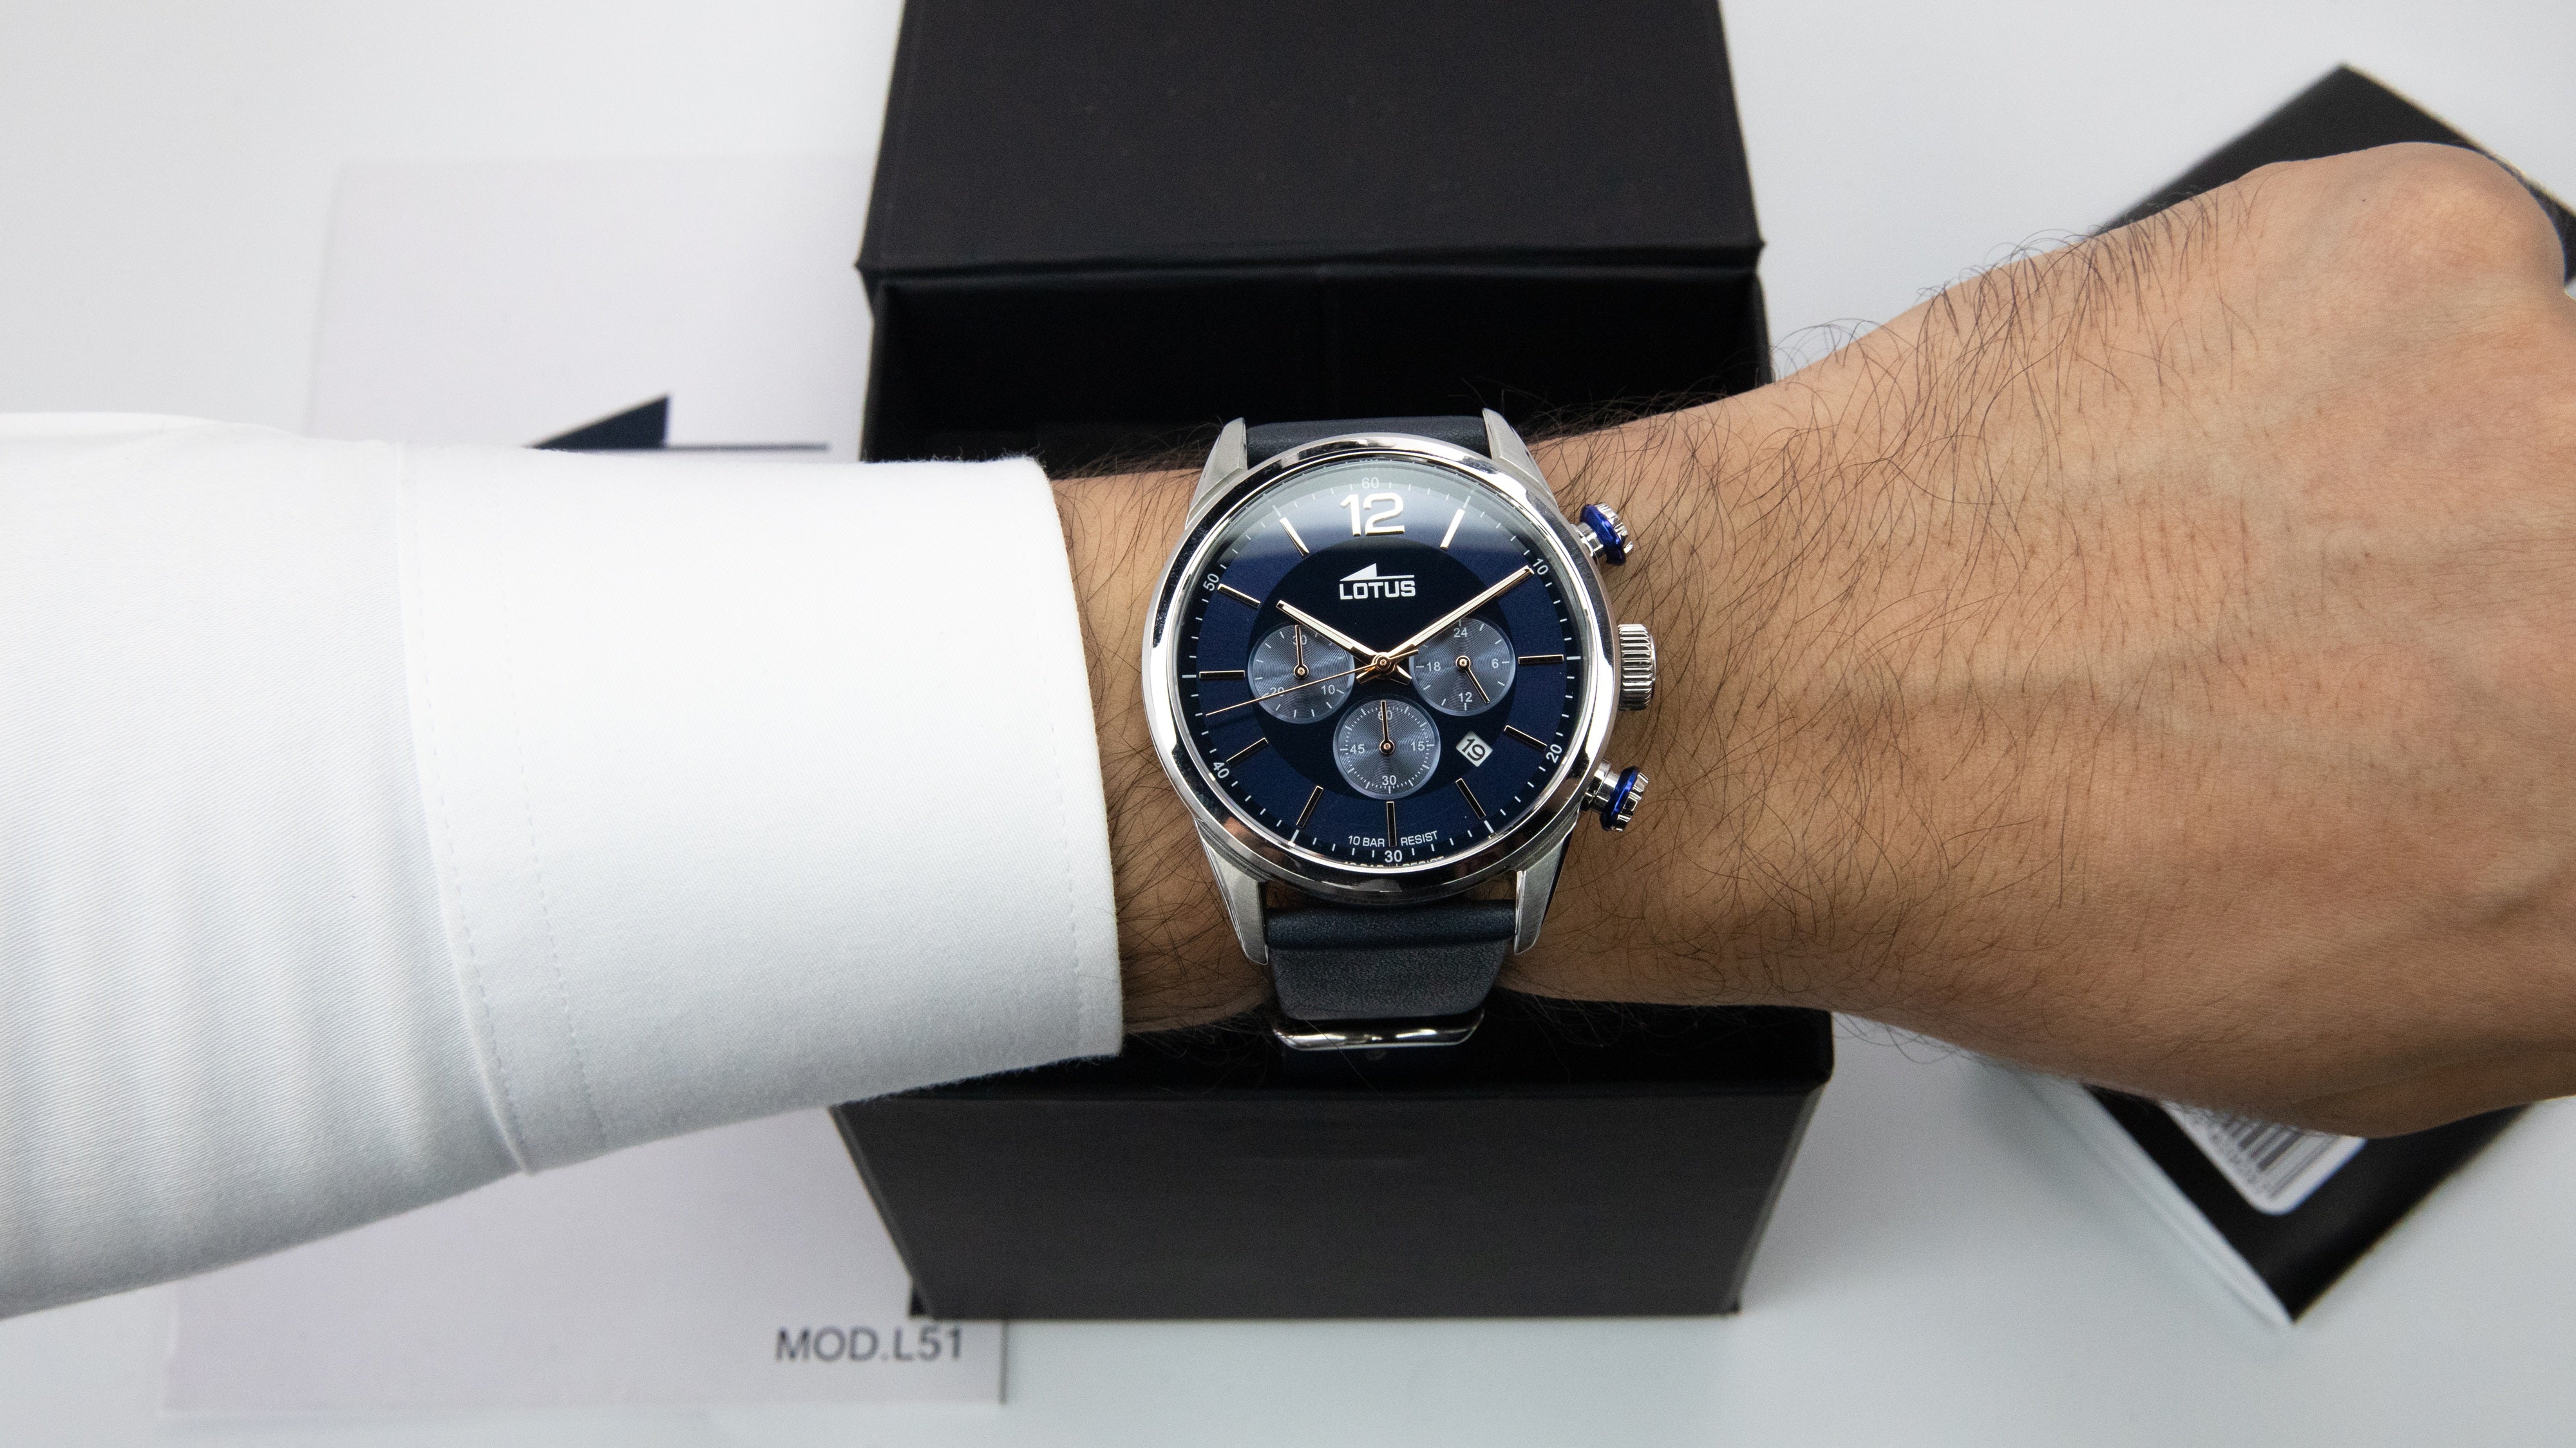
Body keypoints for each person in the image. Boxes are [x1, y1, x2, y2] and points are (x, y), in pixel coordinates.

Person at [3, 143, 2570, 1321]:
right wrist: (1808, 646)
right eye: (1330, 645)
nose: (1356, 668)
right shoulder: (1363, 621)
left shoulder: (1497, 650)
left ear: (1608, 678)